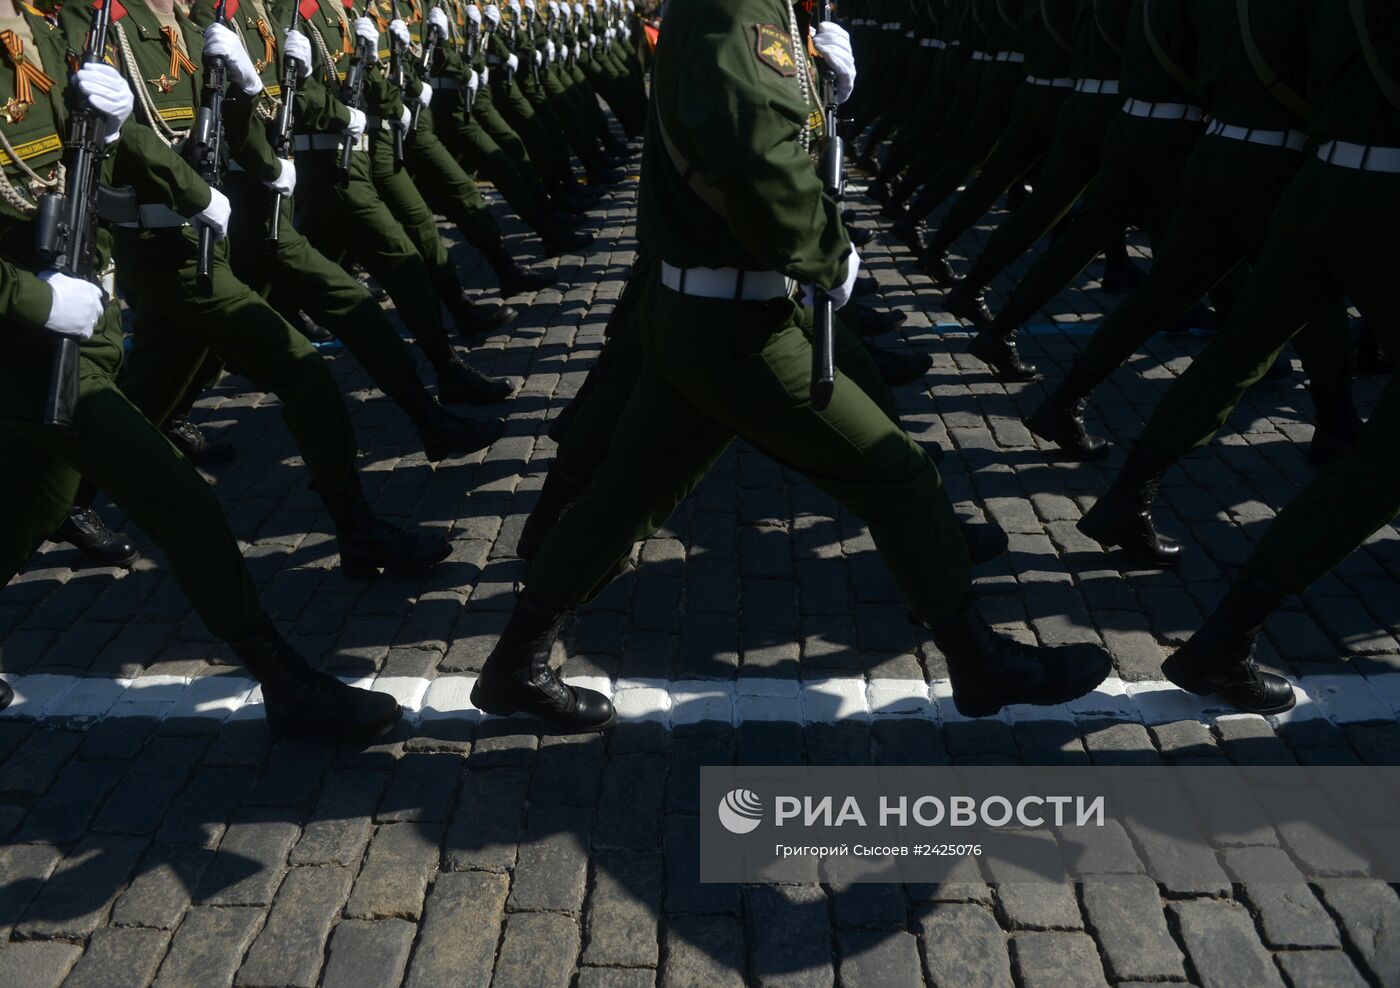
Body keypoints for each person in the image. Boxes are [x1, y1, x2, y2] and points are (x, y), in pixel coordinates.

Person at [469, 0, 1112, 731]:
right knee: (898, 478)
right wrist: (827, 249)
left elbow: (756, 118)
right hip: (738, 324)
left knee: (627, 493)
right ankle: (980, 663)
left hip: (709, 308)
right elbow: (750, 153)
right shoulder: (734, 7)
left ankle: (513, 668)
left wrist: (819, 83)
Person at [0, 0, 396, 736]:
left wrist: (179, 182)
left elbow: (86, 149)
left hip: (78, 315)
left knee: (33, 501)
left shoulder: (42, 31)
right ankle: (284, 683)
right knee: (181, 500)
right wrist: (31, 299)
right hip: (20, 340)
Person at [61, 0, 456, 578]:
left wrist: (249, 100)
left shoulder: (190, 27)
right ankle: (360, 530)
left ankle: (62, 496)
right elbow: (102, 142)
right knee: (304, 371)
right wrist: (193, 191)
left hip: (203, 239)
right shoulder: (93, 28)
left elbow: (220, 123)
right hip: (164, 250)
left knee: (145, 393)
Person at [1088, 0, 1395, 716]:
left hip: (1317, 179)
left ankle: (1126, 495)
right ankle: (1223, 641)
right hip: (1381, 194)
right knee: (1379, 461)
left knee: (1234, 356)